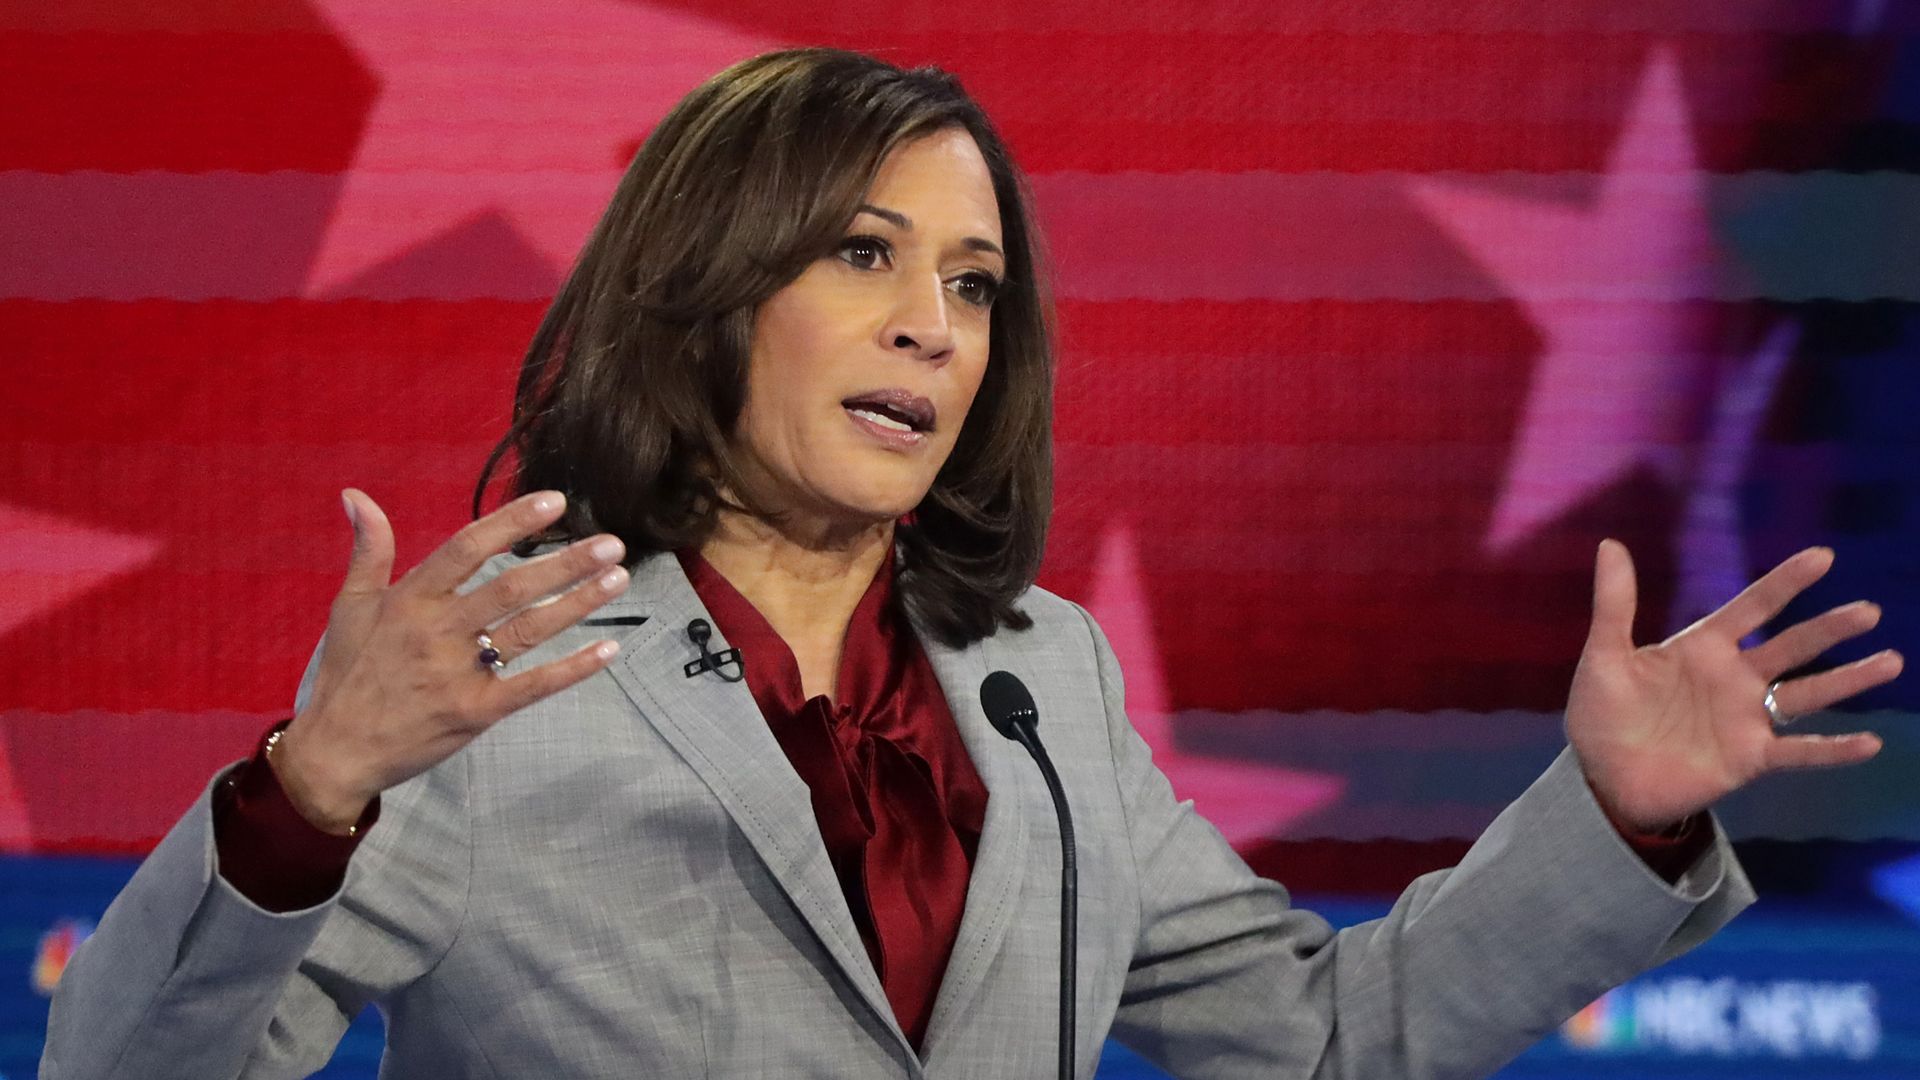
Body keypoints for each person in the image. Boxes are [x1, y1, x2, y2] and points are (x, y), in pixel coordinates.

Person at [41, 48, 1901, 1080]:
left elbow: (1332, 1044)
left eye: (974, 283)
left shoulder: (1043, 675)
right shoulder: (496, 679)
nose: (934, 326)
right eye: (863, 255)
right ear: (705, 297)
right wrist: (310, 794)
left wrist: (1616, 818)